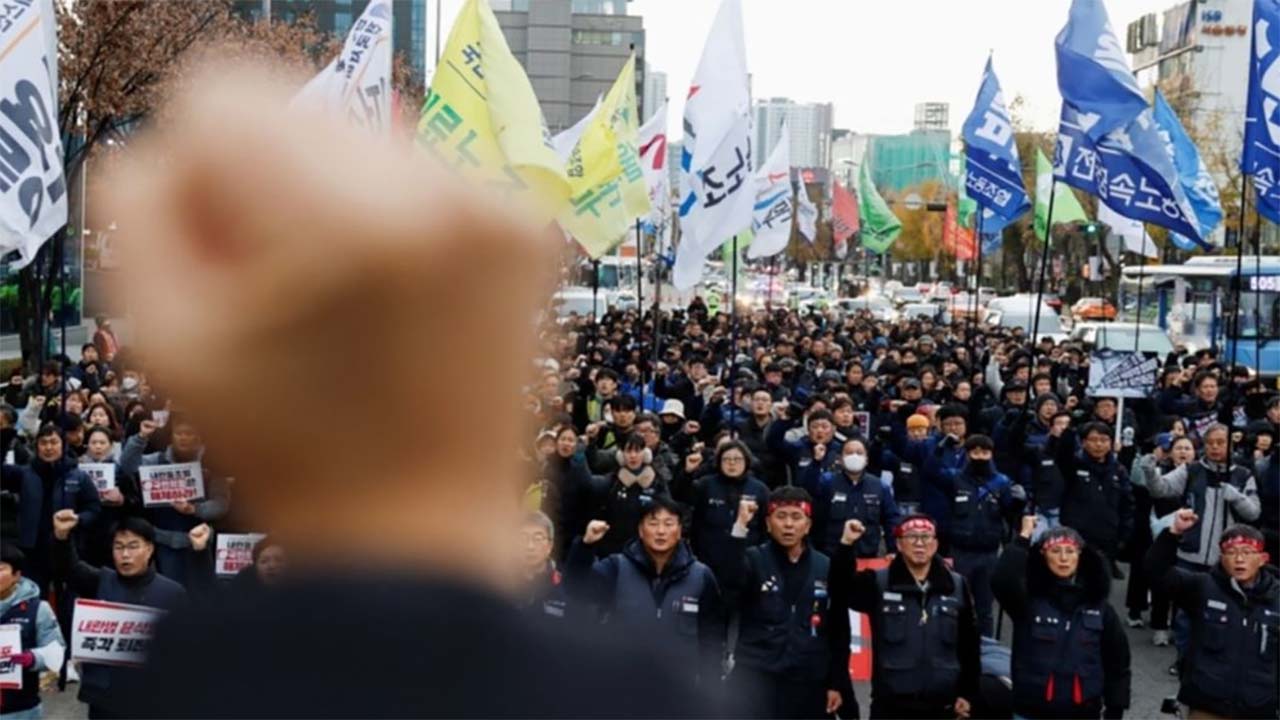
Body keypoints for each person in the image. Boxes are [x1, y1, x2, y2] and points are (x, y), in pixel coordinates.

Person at [829, 514, 980, 719]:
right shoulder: (878, 582)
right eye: (911, 537)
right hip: (891, 707)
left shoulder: (957, 585)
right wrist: (846, 544)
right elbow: (840, 590)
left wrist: (967, 693)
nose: (920, 543)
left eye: (926, 537)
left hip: (943, 706)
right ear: (899, 544)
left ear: (935, 544)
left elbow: (969, 645)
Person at [721, 487, 854, 719]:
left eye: (796, 517)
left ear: (808, 525)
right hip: (758, 676)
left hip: (809, 678)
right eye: (781, 517)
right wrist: (740, 527)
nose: (788, 525)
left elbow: (839, 629)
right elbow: (730, 584)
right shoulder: (753, 559)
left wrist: (836, 682)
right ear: (768, 523)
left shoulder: (825, 566)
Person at [567, 496, 724, 687]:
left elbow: (712, 639)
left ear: (679, 531)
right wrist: (585, 546)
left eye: (668, 524)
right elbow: (575, 588)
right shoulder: (617, 567)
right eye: (653, 523)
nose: (660, 531)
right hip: (622, 684)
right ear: (641, 530)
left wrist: (711, 686)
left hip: (680, 690)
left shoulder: (700, 576)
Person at [52, 512, 189, 719]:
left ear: (149, 549)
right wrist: (62, 536)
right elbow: (69, 569)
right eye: (119, 547)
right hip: (105, 698)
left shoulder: (172, 592)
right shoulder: (101, 581)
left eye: (133, 546)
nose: (125, 555)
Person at [992, 517, 1132, 719]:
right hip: (1031, 711)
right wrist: (1023, 537)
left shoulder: (1100, 607)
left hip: (1084, 712)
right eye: (1056, 551)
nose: (1064, 558)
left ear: (1080, 556)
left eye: (1070, 551)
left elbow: (1118, 663)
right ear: (1043, 555)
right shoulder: (1027, 601)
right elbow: (1002, 580)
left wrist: (1115, 709)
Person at [1147, 513, 1277, 719]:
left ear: (1262, 559)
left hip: (1259, 708)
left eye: (1247, 552)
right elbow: (1157, 573)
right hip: (1207, 705)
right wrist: (1173, 533)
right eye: (1231, 552)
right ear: (1221, 557)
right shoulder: (1203, 587)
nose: (1239, 559)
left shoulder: (1276, 599)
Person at [934, 434, 1025, 637]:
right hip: (960, 551)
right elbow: (931, 472)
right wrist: (940, 449)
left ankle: (986, 648)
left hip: (989, 553)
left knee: (985, 609)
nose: (980, 456)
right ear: (967, 454)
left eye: (985, 452)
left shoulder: (1001, 482)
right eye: (975, 452)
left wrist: (1019, 502)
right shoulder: (956, 478)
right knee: (956, 603)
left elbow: (1011, 512)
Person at [1, 423, 101, 593]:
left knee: (68, 603)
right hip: (31, 551)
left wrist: (78, 519)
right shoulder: (24, 474)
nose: (48, 447)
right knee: (35, 599)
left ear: (63, 445)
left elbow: (94, 508)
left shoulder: (79, 476)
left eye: (54, 442)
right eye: (43, 443)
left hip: (68, 550)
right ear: (37, 446)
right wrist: (3, 441)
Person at [799, 438, 901, 556]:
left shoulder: (879, 486)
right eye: (849, 453)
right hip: (831, 555)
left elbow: (891, 520)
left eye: (859, 453)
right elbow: (808, 488)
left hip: (867, 556)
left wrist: (893, 550)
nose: (854, 456)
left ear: (866, 459)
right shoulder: (828, 482)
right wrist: (816, 462)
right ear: (841, 459)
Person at [0, 544, 64, 720]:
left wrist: (33, 658)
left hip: (21, 709)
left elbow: (57, 651)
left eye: (0, 569)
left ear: (17, 575)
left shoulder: (38, 609)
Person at [689, 440, 768, 581]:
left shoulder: (759, 489)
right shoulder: (706, 484)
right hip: (710, 558)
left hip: (747, 559)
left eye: (737, 459)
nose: (732, 463)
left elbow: (765, 526)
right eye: (726, 459)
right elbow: (689, 509)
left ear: (746, 461)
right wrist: (687, 473)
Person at [516, 512, 569, 624]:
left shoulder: (563, 586)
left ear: (550, 546)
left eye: (538, 538)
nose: (530, 546)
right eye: (523, 538)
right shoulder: (501, 586)